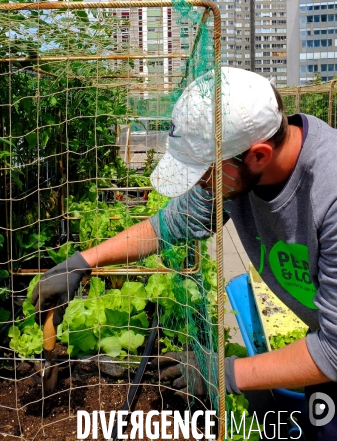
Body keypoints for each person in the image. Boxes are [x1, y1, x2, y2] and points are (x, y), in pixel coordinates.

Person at [32, 67, 337, 440]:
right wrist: (83, 262)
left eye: (205, 173)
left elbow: (333, 353)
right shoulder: (239, 172)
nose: (200, 183)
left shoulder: (330, 192)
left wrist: (226, 373)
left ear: (258, 155)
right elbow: (170, 225)